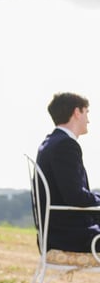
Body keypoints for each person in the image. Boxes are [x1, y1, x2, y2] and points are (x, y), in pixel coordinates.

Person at [36, 92, 100, 252]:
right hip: (70, 238)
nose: (89, 120)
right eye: (87, 113)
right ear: (77, 112)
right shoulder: (65, 145)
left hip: (57, 233)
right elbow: (75, 196)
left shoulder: (51, 142)